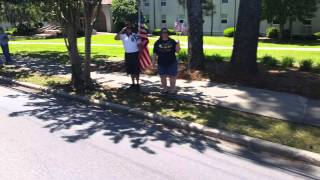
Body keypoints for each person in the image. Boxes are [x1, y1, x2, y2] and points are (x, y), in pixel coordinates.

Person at [153, 28, 181, 95]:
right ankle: (165, 89)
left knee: (172, 77)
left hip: (172, 62)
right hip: (161, 62)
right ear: (161, 34)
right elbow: (154, 53)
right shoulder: (157, 42)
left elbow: (177, 51)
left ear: (168, 33)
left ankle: (172, 89)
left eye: (166, 32)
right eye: (163, 32)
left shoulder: (172, 41)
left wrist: (178, 44)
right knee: (163, 77)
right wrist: (153, 62)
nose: (165, 34)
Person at [114, 24, 141, 90]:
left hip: (135, 54)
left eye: (130, 29)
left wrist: (140, 52)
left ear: (132, 29)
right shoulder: (123, 36)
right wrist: (121, 30)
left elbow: (139, 44)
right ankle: (133, 83)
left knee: (136, 70)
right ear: (125, 30)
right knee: (130, 69)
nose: (129, 30)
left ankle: (137, 83)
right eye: (127, 29)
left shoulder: (135, 35)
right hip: (128, 54)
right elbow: (115, 38)